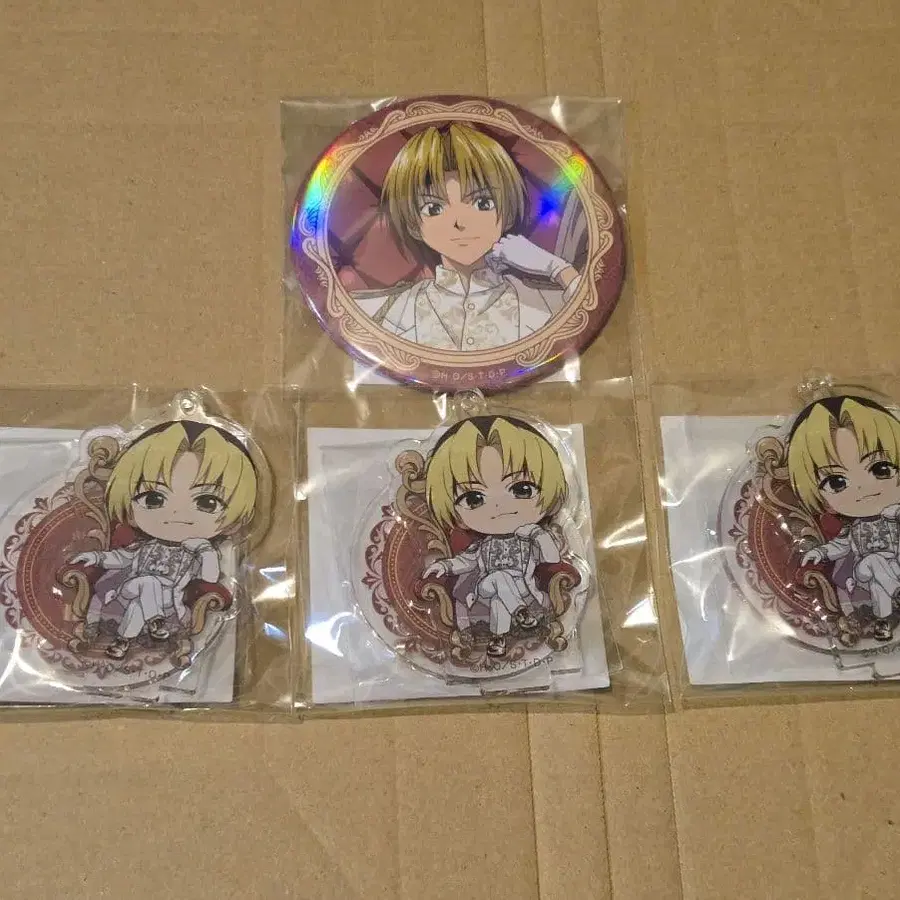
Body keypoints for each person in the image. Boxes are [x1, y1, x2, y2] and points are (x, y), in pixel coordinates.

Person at [353, 123, 583, 351]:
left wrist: (557, 268)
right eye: (434, 208)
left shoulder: (543, 303)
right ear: (413, 224)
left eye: (482, 203)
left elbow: (592, 313)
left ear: (507, 213)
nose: (460, 222)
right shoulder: (388, 310)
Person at [70, 420, 258, 659]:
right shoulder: (146, 547)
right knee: (147, 582)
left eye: (207, 502)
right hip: (127, 593)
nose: (177, 513)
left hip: (168, 605)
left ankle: (122, 642)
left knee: (140, 604)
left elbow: (210, 578)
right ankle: (154, 622)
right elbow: (120, 558)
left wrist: (205, 550)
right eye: (153, 498)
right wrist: (95, 557)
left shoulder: (194, 555)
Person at [422, 415, 568, 657]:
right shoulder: (484, 546)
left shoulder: (530, 539)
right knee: (499, 579)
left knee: (501, 600)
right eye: (473, 498)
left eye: (522, 489)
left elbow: (552, 558)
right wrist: (444, 566)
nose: (499, 506)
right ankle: (521, 614)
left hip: (523, 591)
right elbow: (465, 562)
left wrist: (536, 532)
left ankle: (498, 640)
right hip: (485, 590)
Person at [791, 395, 900, 642]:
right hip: (863, 569)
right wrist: (819, 552)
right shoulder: (853, 527)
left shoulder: (893, 515)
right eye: (837, 482)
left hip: (893, 567)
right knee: (873, 562)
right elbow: (840, 546)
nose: (862, 488)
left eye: (881, 469)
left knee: (878, 587)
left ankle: (884, 622)